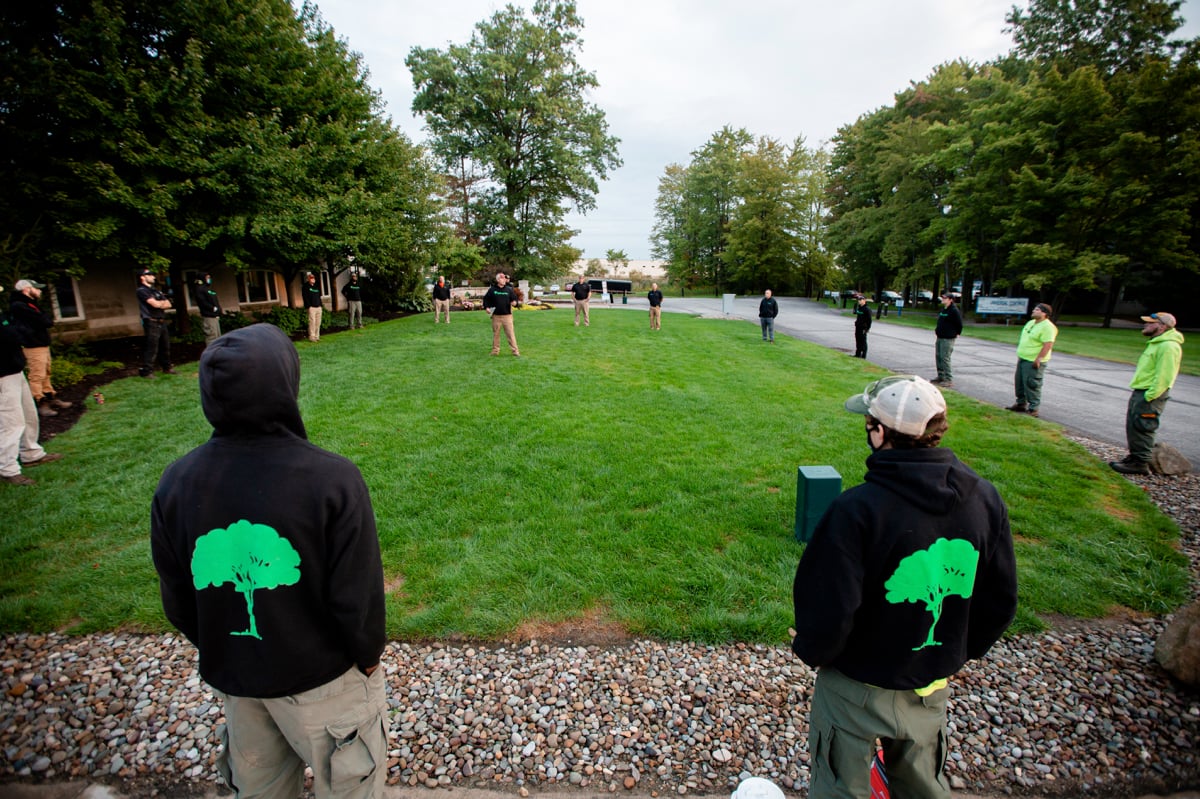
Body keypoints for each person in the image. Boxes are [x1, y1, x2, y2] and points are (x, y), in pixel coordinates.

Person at [150, 324, 388, 799]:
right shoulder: (331, 479)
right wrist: (367, 658)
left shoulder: (177, 481)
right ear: (284, 384)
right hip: (324, 683)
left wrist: (228, 647)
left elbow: (178, 598)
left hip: (238, 682)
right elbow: (356, 598)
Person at [792, 374, 1017, 799]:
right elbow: (1000, 600)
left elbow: (829, 605)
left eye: (869, 425)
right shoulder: (985, 499)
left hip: (857, 684)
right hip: (929, 684)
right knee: (921, 785)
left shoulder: (856, 510)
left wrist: (811, 649)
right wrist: (952, 650)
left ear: (879, 433)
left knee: (841, 785)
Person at [1110, 312, 1185, 475]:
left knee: (1143, 427)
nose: (1146, 325)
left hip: (1151, 395)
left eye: (1151, 323)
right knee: (1134, 426)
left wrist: (1149, 396)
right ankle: (1134, 457)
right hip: (1142, 391)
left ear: (1162, 326)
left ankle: (1140, 463)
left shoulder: (1168, 346)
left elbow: (1164, 376)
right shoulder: (1157, 343)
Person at [1, 300, 64, 486]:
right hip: (2, 375)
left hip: (15, 370)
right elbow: (11, 335)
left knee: (29, 415)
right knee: (10, 422)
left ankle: (31, 453)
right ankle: (7, 469)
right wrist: (18, 332)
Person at [9, 279, 73, 416]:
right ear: (26, 289)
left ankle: (51, 397)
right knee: (37, 374)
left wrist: (44, 319)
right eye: (36, 288)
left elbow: (46, 320)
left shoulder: (31, 304)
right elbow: (45, 321)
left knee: (46, 372)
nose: (39, 291)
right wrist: (43, 319)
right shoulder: (19, 306)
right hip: (32, 345)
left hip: (41, 343)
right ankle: (40, 402)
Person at [1008, 302, 1057, 418]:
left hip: (1033, 361)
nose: (1033, 311)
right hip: (1023, 358)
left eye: (1037, 310)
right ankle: (1020, 403)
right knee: (1019, 382)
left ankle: (1033, 408)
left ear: (1044, 313)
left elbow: (1048, 344)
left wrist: (1039, 359)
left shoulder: (1048, 327)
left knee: (1032, 384)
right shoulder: (1031, 323)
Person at [136, 269, 175, 378]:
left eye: (153, 275)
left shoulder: (155, 291)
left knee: (165, 346)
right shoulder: (141, 291)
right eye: (149, 275)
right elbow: (154, 304)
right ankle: (147, 371)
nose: (153, 276)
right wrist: (160, 303)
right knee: (152, 347)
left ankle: (167, 368)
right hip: (151, 321)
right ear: (142, 277)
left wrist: (160, 303)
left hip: (161, 321)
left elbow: (168, 304)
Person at [483, 272, 520, 356]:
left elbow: (515, 299)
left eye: (504, 278)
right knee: (496, 334)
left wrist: (515, 302)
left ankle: (515, 351)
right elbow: (486, 299)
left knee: (510, 334)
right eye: (502, 278)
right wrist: (487, 307)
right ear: (497, 280)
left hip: (507, 316)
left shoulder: (509, 290)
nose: (504, 280)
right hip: (496, 316)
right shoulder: (492, 290)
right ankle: (495, 351)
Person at [933, 292, 963, 385]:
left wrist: (957, 333)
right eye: (943, 298)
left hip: (948, 338)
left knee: (945, 358)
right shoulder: (944, 309)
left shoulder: (954, 310)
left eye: (945, 298)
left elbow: (959, 324)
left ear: (950, 300)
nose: (943, 299)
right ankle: (941, 376)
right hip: (940, 337)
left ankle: (948, 379)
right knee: (938, 357)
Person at [193, 273, 222, 345]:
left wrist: (218, 310)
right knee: (211, 337)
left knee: (217, 337)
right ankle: (211, 354)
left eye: (209, 277)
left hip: (214, 316)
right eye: (207, 278)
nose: (209, 279)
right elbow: (202, 302)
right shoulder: (199, 289)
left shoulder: (208, 289)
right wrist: (212, 308)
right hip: (208, 316)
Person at [303, 272, 323, 343]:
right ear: (308, 278)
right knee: (312, 322)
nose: (313, 279)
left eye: (313, 277)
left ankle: (317, 336)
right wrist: (309, 306)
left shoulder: (316, 286)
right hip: (311, 308)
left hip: (318, 307)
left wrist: (320, 305)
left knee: (318, 322)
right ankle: (312, 336)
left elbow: (319, 296)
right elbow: (305, 297)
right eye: (311, 278)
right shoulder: (306, 286)